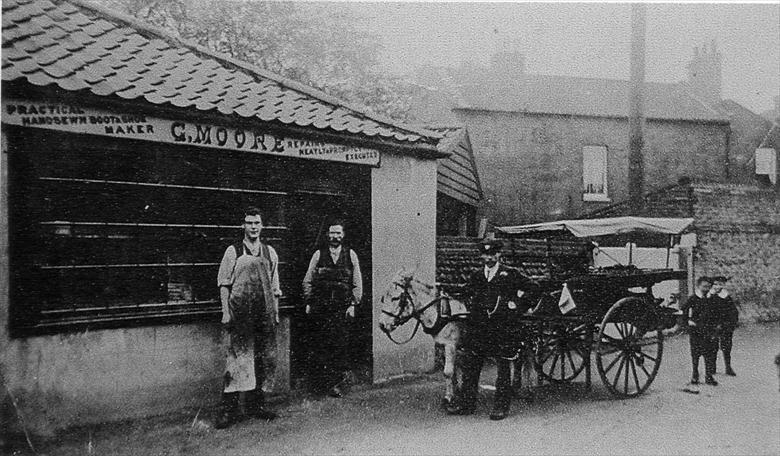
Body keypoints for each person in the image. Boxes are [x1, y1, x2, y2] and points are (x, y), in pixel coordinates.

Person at [447, 239, 539, 421]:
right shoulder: (477, 275)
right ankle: (467, 404)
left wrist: (517, 306)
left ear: (499, 255)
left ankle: (500, 407)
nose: (489, 258)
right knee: (471, 366)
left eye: (492, 254)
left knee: (503, 368)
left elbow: (534, 288)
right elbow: (465, 292)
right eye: (486, 254)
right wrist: (445, 291)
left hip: (502, 327)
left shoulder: (510, 274)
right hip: (479, 327)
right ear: (482, 256)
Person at [215, 207, 282, 428]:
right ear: (242, 226)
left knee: (263, 359)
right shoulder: (233, 251)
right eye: (249, 223)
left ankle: (257, 406)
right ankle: (228, 410)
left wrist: (276, 313)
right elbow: (224, 285)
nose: (253, 227)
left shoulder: (269, 252)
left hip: (264, 314)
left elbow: (274, 287)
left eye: (257, 223)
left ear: (262, 226)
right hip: (240, 314)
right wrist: (226, 312)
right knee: (237, 360)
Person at [303, 220, 363, 398]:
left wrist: (353, 304)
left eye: (338, 233)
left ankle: (335, 384)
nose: (335, 236)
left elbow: (357, 283)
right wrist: (309, 301)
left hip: (341, 309)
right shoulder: (318, 254)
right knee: (320, 345)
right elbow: (308, 280)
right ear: (327, 235)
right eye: (332, 233)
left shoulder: (350, 255)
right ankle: (319, 385)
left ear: (343, 235)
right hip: (321, 308)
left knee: (339, 346)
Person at [680, 276, 719, 386]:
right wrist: (687, 321)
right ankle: (695, 375)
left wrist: (716, 327)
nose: (706, 288)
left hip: (708, 330)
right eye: (703, 286)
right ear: (698, 286)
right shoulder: (693, 298)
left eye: (708, 286)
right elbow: (684, 310)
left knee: (709, 354)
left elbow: (717, 313)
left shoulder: (712, 299)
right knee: (695, 354)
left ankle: (708, 376)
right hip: (696, 330)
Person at [709, 276, 738, 376]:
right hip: (713, 326)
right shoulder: (709, 297)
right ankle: (712, 367)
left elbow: (733, 312)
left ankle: (728, 367)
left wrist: (731, 324)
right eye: (715, 284)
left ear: (723, 285)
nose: (717, 287)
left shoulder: (726, 297)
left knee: (726, 347)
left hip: (725, 326)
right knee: (713, 346)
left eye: (720, 284)